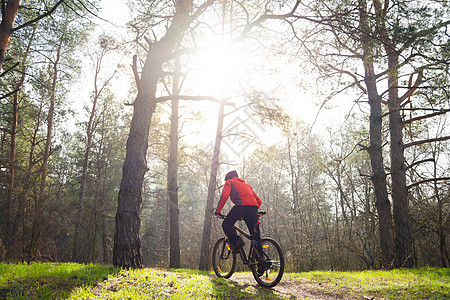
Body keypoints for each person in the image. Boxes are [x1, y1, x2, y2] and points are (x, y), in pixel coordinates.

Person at [215, 170, 262, 253]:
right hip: (253, 207)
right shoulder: (247, 185)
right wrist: (251, 211)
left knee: (226, 224)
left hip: (241, 207)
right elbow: (259, 201)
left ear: (228, 178)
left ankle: (237, 241)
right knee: (255, 236)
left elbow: (225, 196)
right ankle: (261, 261)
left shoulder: (229, 182)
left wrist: (218, 211)